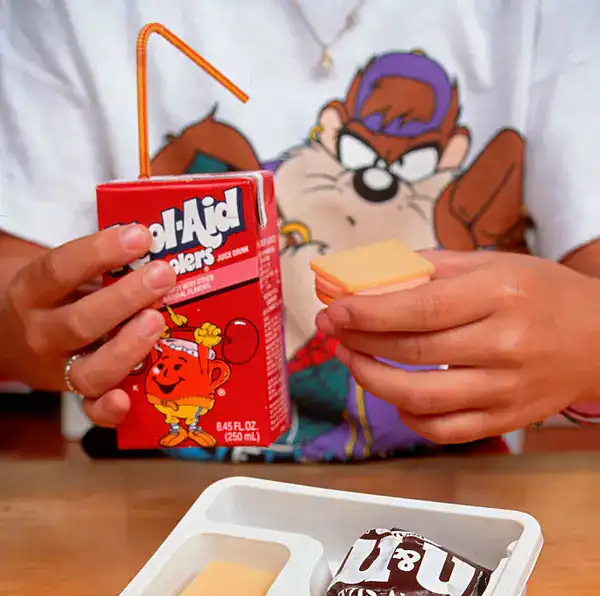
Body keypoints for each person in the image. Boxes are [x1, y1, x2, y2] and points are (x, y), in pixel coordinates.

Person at [1, 0, 600, 461]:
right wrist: (51, 333)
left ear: (451, 152)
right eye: (362, 152)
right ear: (335, 130)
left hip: (455, 485)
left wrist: (587, 336)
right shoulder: (67, 16)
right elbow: (15, 299)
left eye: (408, 160)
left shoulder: (549, 18)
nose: (378, 180)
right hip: (160, 485)